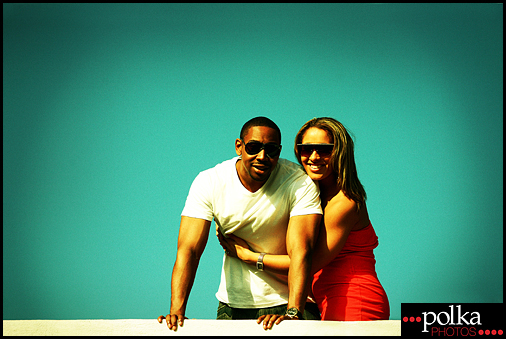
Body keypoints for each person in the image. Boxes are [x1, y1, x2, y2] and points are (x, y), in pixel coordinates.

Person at [219, 117, 390, 328]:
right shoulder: (310, 194)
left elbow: (307, 262)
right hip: (325, 301)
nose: (314, 157)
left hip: (354, 299)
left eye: (325, 150)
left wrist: (249, 256)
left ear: (341, 152)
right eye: (306, 149)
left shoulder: (344, 202)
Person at [158, 117, 323, 331]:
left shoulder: (298, 182)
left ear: (279, 151)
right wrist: (177, 312)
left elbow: (302, 251)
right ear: (239, 146)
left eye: (271, 149)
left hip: (289, 303)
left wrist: (293, 313)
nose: (262, 156)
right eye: (254, 147)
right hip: (233, 306)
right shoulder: (210, 181)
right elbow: (189, 249)